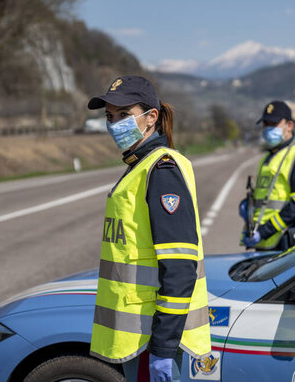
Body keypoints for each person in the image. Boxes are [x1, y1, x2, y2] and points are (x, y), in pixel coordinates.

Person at [87, 76, 211, 382]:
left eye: (124, 115)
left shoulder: (161, 169)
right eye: (109, 117)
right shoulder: (139, 166)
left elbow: (181, 267)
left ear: (150, 117)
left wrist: (163, 348)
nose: (114, 124)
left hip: (152, 339)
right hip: (139, 336)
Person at [241, 100, 295, 251]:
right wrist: (248, 207)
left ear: (289, 126)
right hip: (265, 241)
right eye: (265, 124)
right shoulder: (269, 157)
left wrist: (264, 231)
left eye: (273, 124)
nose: (268, 128)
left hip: (288, 241)